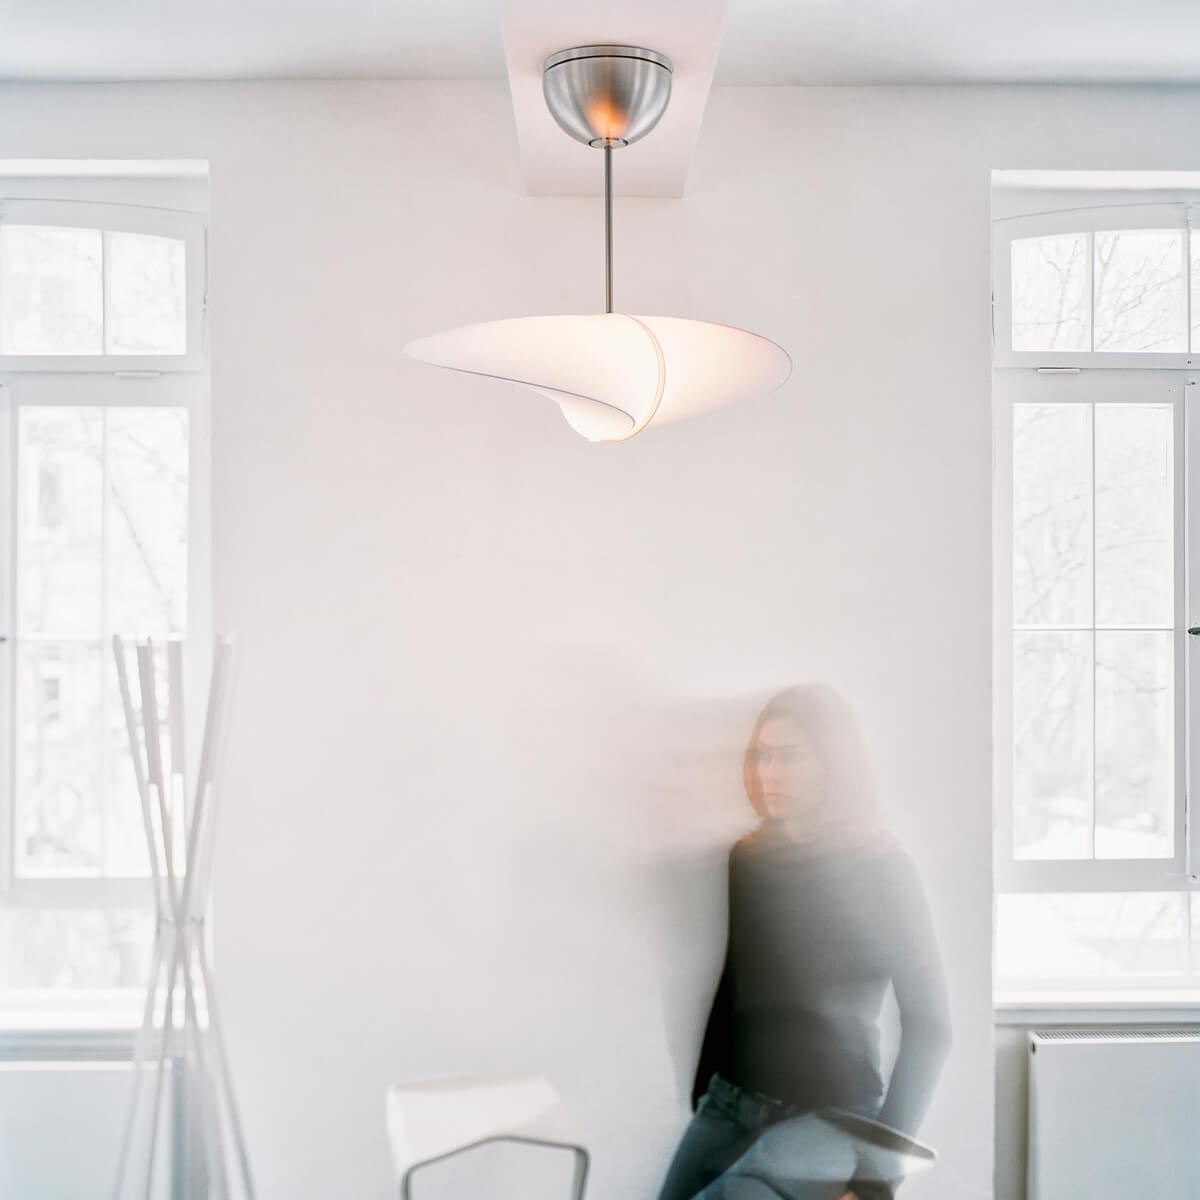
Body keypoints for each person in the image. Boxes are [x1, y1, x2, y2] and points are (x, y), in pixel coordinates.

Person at [656, 685, 952, 1200]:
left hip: (830, 1118)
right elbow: (736, 981)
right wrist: (704, 1095)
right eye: (762, 756)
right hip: (729, 1102)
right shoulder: (747, 859)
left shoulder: (882, 869)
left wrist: (877, 1178)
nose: (769, 773)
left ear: (833, 764)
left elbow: (931, 1027)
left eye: (790, 757)